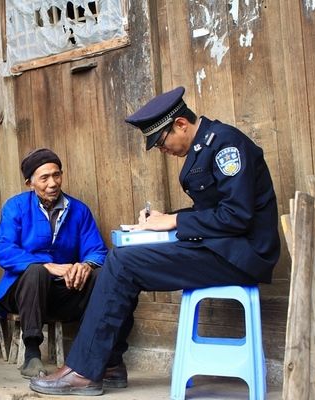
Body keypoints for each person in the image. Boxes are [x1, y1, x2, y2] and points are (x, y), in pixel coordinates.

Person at [30, 86, 281, 396]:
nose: (163, 150)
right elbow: (213, 211)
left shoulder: (226, 146)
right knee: (125, 254)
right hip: (221, 248)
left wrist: (174, 221)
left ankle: (84, 370)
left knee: (123, 263)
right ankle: (107, 364)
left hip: (242, 255)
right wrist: (161, 219)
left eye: (162, 142)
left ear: (180, 124)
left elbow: (236, 217)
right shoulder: (205, 145)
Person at [0, 148, 108, 378]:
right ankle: (32, 354)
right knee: (36, 272)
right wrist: (47, 265)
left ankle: (91, 353)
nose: (53, 183)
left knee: (101, 276)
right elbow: (5, 251)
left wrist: (86, 266)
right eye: (44, 178)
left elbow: (97, 250)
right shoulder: (15, 207)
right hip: (24, 294)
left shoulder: (79, 210)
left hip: (62, 292)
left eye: (57, 175)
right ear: (30, 183)